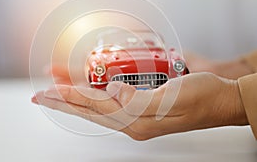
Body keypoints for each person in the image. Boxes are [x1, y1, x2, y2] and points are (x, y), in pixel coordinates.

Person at [32, 50, 257, 141]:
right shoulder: (99, 55)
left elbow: (231, 96)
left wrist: (233, 98)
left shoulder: (166, 54)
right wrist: (236, 71)